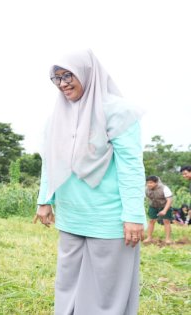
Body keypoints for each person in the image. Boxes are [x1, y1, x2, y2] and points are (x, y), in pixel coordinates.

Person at [34, 49, 146, 315]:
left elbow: (131, 167)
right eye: (56, 78)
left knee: (106, 292)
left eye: (68, 75)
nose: (63, 83)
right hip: (72, 214)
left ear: (88, 72)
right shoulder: (58, 115)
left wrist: (133, 214)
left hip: (109, 217)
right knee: (68, 284)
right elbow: (50, 159)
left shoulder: (118, 111)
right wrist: (44, 200)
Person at [144, 176, 174, 244]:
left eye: (151, 183)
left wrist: (165, 210)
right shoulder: (146, 189)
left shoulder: (164, 188)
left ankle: (167, 239)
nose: (149, 184)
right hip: (153, 206)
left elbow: (169, 200)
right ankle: (149, 238)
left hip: (164, 205)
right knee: (151, 221)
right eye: (147, 183)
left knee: (166, 221)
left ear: (156, 183)